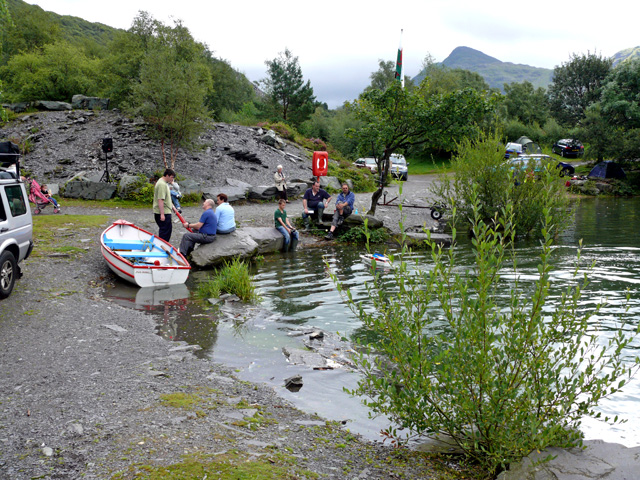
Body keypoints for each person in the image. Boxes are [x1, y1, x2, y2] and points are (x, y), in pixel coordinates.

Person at [153, 168, 175, 242]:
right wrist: (162, 214)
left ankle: (163, 245)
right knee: (165, 232)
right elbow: (160, 199)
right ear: (167, 175)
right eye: (171, 177)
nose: (172, 179)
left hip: (166, 210)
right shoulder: (162, 184)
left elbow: (166, 198)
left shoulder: (163, 183)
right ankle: (162, 247)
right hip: (163, 212)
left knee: (167, 231)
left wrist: (173, 208)